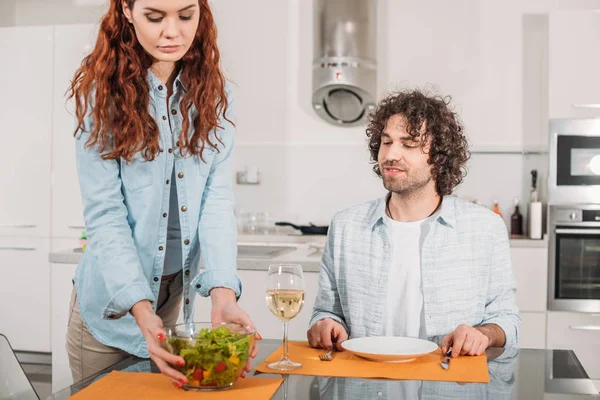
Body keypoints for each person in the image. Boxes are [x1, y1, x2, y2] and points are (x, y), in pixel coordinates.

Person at [66, 0, 259, 388]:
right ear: (126, 10)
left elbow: (215, 200)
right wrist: (140, 308)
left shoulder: (214, 95)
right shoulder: (101, 96)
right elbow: (106, 215)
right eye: (155, 17)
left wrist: (223, 292)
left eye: (186, 15)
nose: (172, 32)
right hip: (111, 313)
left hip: (171, 302)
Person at [307, 89, 520, 358]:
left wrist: (484, 335)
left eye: (408, 144)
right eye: (386, 142)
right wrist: (324, 324)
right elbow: (325, 312)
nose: (391, 155)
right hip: (361, 384)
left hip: (450, 385)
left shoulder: (485, 228)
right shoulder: (345, 227)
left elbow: (508, 322)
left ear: (439, 157)